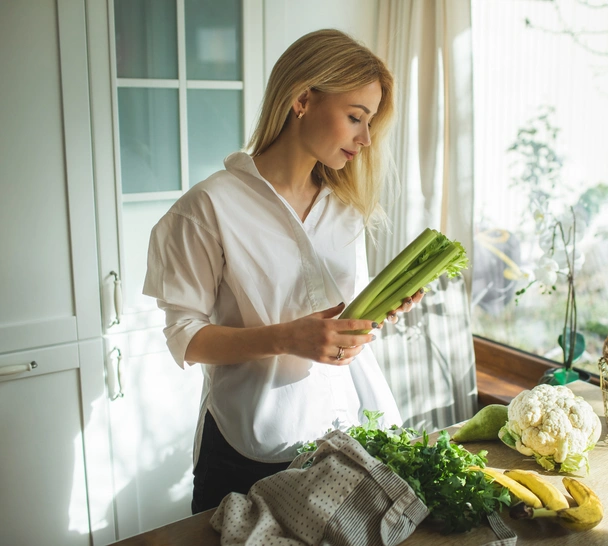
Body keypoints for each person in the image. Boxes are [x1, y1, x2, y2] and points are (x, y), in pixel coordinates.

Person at [142, 29, 424, 514]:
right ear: (302, 100)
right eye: (355, 117)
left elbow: (339, 326)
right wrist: (286, 338)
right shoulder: (208, 207)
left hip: (342, 443)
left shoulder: (345, 207)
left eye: (370, 122)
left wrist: (375, 314)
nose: (366, 138)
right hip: (246, 451)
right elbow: (185, 338)